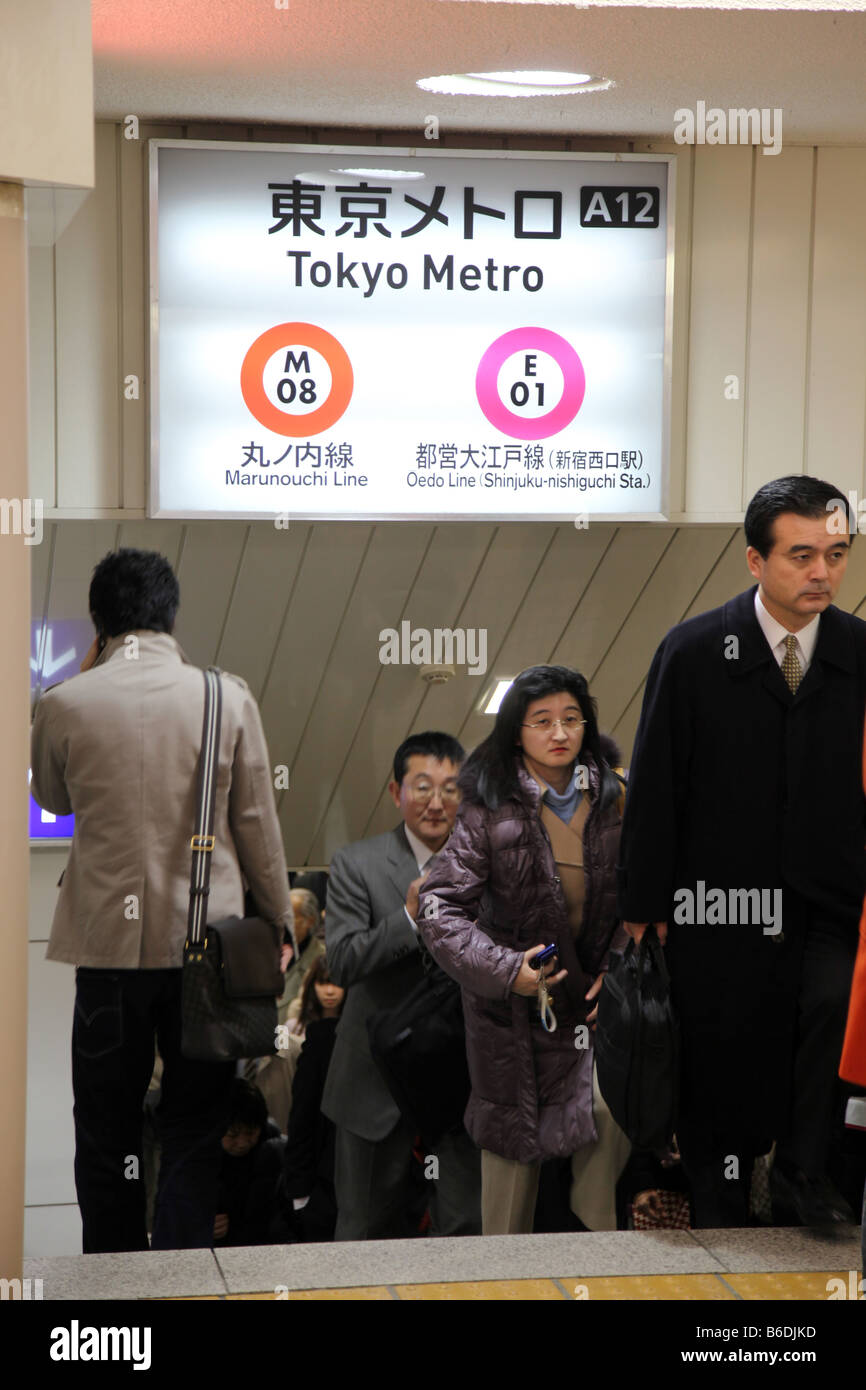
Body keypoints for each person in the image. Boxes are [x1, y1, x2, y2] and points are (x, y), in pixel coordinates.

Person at [617, 475, 866, 1228]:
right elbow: (656, 783)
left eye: (837, 554)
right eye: (801, 556)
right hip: (716, 899)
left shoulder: (859, 651)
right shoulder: (694, 651)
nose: (822, 572)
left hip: (831, 894)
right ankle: (717, 1192)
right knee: (720, 1049)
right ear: (755, 561)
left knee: (824, 1020)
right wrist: (643, 905)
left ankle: (802, 1174)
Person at [30, 547, 295, 1252]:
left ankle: (114, 1277)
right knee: (193, 1123)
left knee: (107, 1124)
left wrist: (85, 678)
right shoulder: (224, 696)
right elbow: (257, 825)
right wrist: (277, 918)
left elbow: (51, 799)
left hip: (106, 953)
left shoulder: (63, 702)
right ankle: (177, 1275)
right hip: (205, 952)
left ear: (100, 625)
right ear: (170, 614)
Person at [418, 667, 630, 1235]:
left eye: (570, 719)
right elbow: (438, 909)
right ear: (517, 732)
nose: (559, 732)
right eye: (542, 721)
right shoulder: (486, 807)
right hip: (513, 1017)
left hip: (590, 1008)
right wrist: (507, 969)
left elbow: (640, 899)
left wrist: (615, 970)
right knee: (511, 1171)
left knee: (607, 1121)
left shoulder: (615, 796)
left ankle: (601, 1276)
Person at [322, 731, 482, 1240]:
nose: (437, 803)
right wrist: (409, 918)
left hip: (463, 1078)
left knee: (465, 1228)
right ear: (396, 793)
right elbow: (343, 962)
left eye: (451, 788)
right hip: (373, 1078)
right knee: (364, 1231)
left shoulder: (488, 863)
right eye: (422, 787)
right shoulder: (355, 863)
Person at [272, 963, 346, 1243]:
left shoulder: (331, 1036)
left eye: (336, 983)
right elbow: (302, 1116)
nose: (329, 991)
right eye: (323, 983)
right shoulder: (313, 1038)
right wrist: (300, 1190)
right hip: (320, 1177)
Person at [214, 1080, 284, 1247]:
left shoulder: (272, 1146)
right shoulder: (199, 1156)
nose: (242, 1143)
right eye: (232, 1135)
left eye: (251, 1133)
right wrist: (202, 1222)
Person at [277, 888, 326, 1027]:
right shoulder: (269, 951)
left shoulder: (320, 958)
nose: (284, 922)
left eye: (291, 916)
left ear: (309, 921)